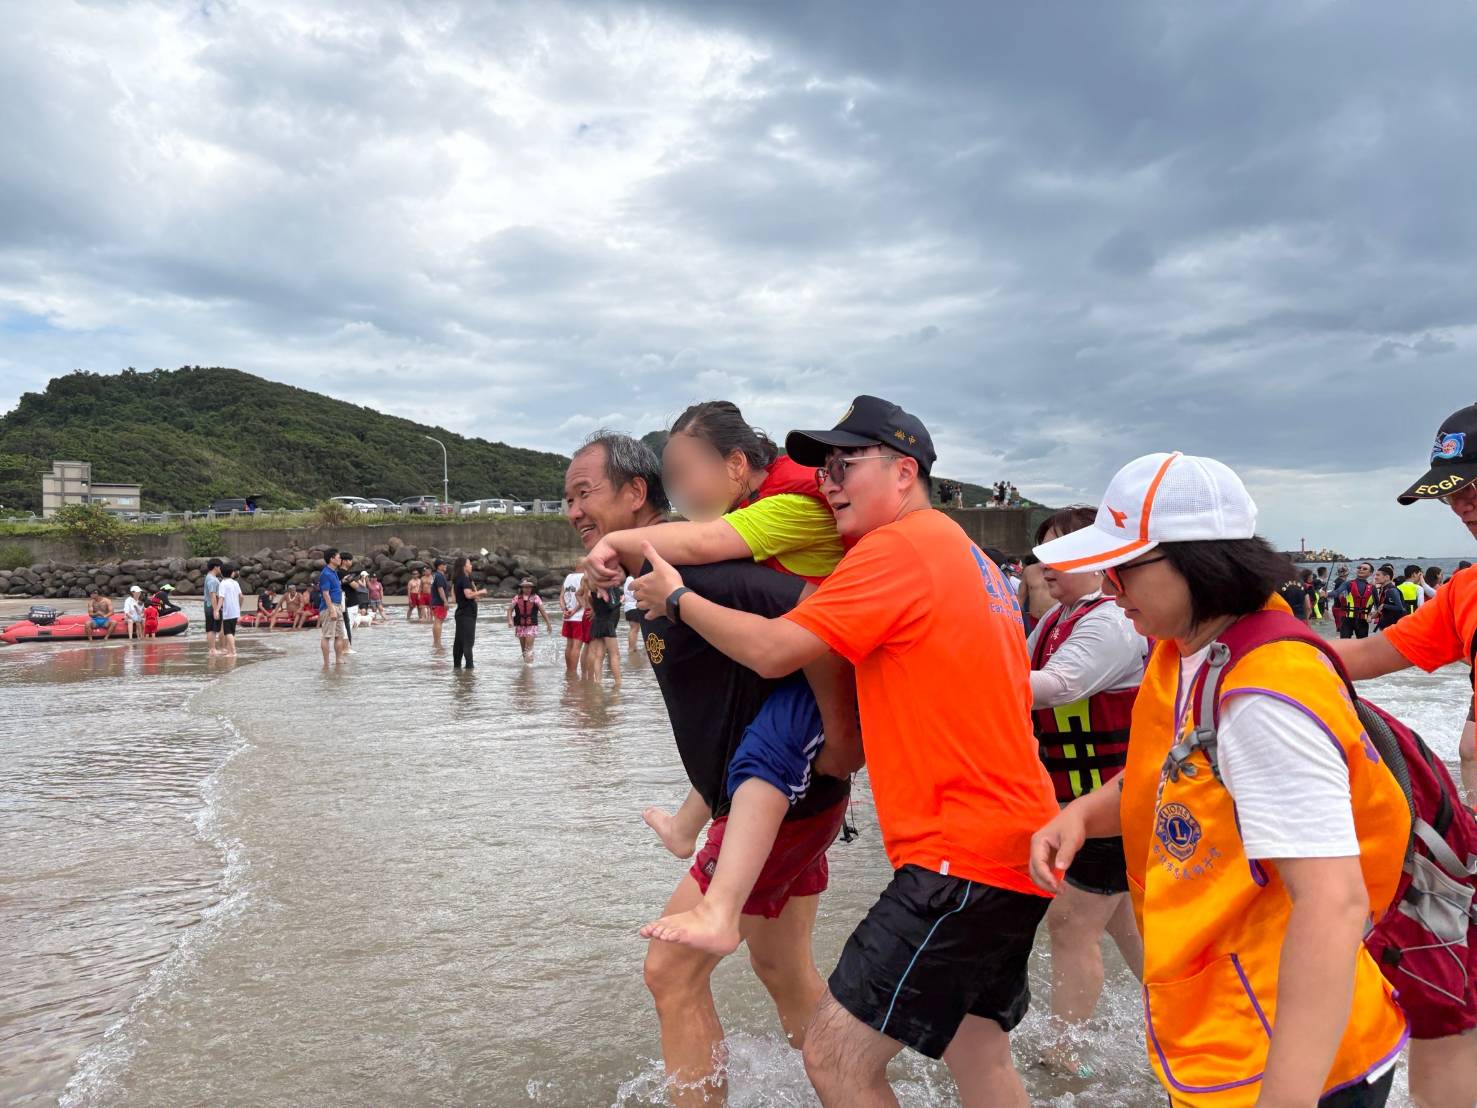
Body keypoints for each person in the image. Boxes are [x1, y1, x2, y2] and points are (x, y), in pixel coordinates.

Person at [630, 397, 1059, 1107]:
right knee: (978, 1057)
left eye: (846, 463)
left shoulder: (896, 548)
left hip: (959, 856)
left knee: (834, 1059)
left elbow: (774, 651)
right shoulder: (971, 556)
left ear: (903, 471)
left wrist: (676, 599)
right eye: (822, 466)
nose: (827, 480)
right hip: (1016, 845)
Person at [1031, 451, 1410, 1108]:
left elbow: (1332, 902)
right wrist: (1082, 813)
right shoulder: (1190, 654)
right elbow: (1174, 772)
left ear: (1196, 561)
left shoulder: (1263, 695)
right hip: (1227, 1029)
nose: (1109, 590)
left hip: (1286, 1057)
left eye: (1123, 570)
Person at [565, 430, 852, 1106]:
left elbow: (815, 616)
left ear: (636, 493)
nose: (573, 510)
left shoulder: (695, 568)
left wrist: (842, 739)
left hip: (782, 801)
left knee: (670, 972)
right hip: (785, 802)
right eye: (567, 498)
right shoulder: (659, 571)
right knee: (782, 967)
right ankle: (853, 1088)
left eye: (584, 493)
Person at [578, 400, 857, 917]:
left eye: (687, 474)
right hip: (809, 768)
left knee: (670, 971)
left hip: (809, 718)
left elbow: (706, 543)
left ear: (735, 465)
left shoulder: (784, 510)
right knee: (781, 968)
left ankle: (718, 908)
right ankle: (687, 828)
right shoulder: (751, 529)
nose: (681, 494)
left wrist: (617, 544)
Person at [1330, 401, 1477, 1108]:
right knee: (1445, 1002)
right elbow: (1360, 655)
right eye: (1452, 491)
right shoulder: (1465, 591)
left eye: (1473, 485)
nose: (1462, 506)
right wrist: (1241, 638)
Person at [1024, 505, 1147, 1075]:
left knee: (1072, 921)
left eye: (1061, 553)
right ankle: (1182, 1008)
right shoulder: (1056, 620)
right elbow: (1018, 670)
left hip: (1113, 799)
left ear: (1102, 560)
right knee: (1127, 923)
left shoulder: (1109, 621)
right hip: (1082, 801)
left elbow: (1055, 686)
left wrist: (959, 676)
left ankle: (1064, 1055)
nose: (1045, 565)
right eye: (1041, 553)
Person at [585, 576, 623, 682]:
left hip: (597, 622)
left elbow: (589, 598)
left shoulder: (592, 588)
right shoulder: (605, 590)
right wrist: (621, 600)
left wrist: (593, 609)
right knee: (614, 654)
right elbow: (613, 605)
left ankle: (598, 681)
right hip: (607, 623)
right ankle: (618, 682)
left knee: (599, 655)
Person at [451, 555, 485, 669]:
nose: (471, 565)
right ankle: (469, 669)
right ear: (464, 566)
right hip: (467, 614)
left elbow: (455, 598)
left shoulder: (459, 579)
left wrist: (474, 589)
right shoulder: (464, 579)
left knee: (459, 642)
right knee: (468, 643)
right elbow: (468, 595)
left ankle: (457, 669)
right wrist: (481, 592)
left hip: (461, 613)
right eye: (469, 563)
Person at [507, 577, 552, 662]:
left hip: (532, 625)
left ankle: (529, 666)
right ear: (522, 588)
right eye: (525, 587)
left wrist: (548, 624)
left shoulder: (536, 598)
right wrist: (510, 620)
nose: (527, 589)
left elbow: (542, 611)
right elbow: (509, 610)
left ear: (532, 588)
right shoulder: (517, 598)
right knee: (524, 650)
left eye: (529, 587)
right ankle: (526, 668)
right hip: (520, 625)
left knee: (529, 647)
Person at [318, 548, 347, 666]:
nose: (341, 559)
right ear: (331, 559)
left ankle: (338, 659)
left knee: (339, 635)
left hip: (338, 605)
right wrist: (331, 610)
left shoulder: (334, 572)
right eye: (338, 557)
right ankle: (326, 662)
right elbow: (325, 593)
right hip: (330, 606)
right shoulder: (325, 573)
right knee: (327, 636)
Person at [1334, 561, 1377, 639]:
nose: (1361, 569)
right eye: (1359, 568)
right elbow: (1336, 593)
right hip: (1347, 618)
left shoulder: (1372, 588)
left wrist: (1371, 616)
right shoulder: (1348, 584)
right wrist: (1326, 594)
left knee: (1363, 644)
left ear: (1370, 573)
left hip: (1363, 619)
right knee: (1344, 642)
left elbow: (1378, 605)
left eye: (1364, 569)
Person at [560, 569, 590, 672]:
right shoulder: (584, 577)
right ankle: (573, 672)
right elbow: (583, 597)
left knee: (569, 645)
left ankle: (569, 671)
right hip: (579, 617)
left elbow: (561, 596)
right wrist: (573, 611)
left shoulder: (568, 576)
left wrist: (564, 609)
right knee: (577, 647)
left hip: (567, 617)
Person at [1372, 564, 1406, 630]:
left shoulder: (1392, 590)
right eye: (1375, 575)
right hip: (1386, 624)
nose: (1375, 577)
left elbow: (1400, 608)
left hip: (1393, 626)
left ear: (1387, 577)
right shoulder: (1383, 589)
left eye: (1378, 575)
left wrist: (1384, 606)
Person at [219, 564, 242, 656]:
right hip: (235, 611)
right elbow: (241, 596)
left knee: (228, 632)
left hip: (227, 611)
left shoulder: (223, 584)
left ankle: (233, 652)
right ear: (232, 573)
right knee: (232, 632)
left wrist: (217, 609)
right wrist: (239, 607)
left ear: (222, 573)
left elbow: (221, 598)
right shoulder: (235, 583)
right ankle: (229, 651)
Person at [203, 558, 223, 655]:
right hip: (211, 606)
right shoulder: (212, 579)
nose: (221, 569)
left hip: (209, 605)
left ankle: (212, 648)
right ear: (216, 567)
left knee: (211, 628)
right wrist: (216, 610)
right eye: (220, 567)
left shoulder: (209, 577)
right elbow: (213, 595)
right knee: (212, 628)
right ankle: (212, 649)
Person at [429, 558, 450, 648]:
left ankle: (436, 642)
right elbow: (440, 589)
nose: (445, 566)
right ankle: (438, 643)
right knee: (438, 621)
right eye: (444, 564)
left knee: (436, 622)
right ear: (439, 566)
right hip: (439, 602)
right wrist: (445, 601)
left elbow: (432, 588)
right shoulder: (440, 576)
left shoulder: (434, 576)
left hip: (434, 601)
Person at [623, 574, 643, 652]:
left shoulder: (629, 579)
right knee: (634, 629)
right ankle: (631, 648)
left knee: (634, 629)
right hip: (633, 607)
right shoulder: (631, 579)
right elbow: (634, 594)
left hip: (630, 607)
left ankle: (633, 647)